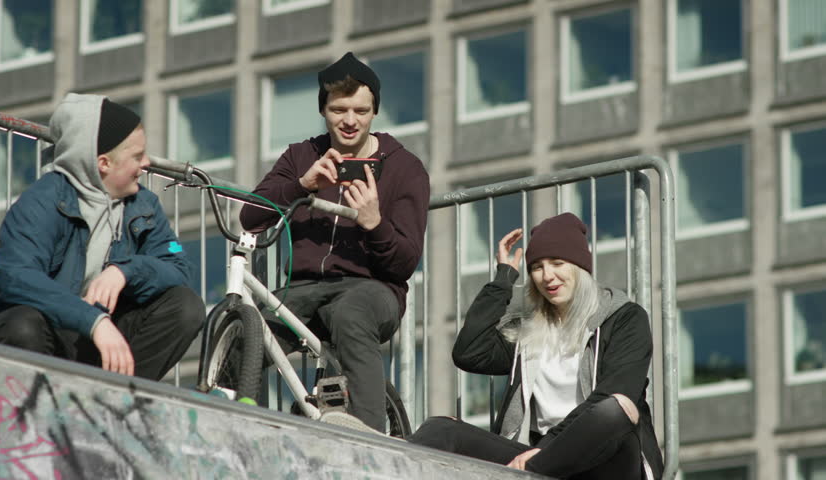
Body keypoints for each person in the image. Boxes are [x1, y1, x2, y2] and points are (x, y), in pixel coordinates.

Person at [239, 52, 429, 431]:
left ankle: (371, 438)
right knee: (245, 330)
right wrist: (301, 186)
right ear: (323, 110)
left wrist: (375, 224)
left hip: (373, 290)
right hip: (304, 288)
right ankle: (227, 419)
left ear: (375, 111)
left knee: (351, 312)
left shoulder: (404, 167)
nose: (349, 120)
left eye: (361, 110)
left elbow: (405, 263)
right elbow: (250, 217)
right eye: (339, 109)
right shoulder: (300, 156)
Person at [408, 213, 664, 479]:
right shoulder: (529, 332)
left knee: (614, 409)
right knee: (441, 429)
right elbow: (470, 352)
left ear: (580, 267)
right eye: (537, 267)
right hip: (538, 459)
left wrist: (546, 448)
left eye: (557, 263)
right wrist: (503, 279)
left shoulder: (624, 318)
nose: (547, 276)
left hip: (605, 459)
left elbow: (617, 396)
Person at [0, 93, 204, 381]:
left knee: (185, 307)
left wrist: (125, 271)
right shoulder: (41, 202)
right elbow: (15, 276)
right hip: (43, 337)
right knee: (23, 325)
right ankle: (39, 417)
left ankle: (115, 406)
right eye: (136, 156)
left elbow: (179, 268)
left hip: (98, 343)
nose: (146, 163)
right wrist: (92, 321)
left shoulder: (145, 206)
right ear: (104, 163)